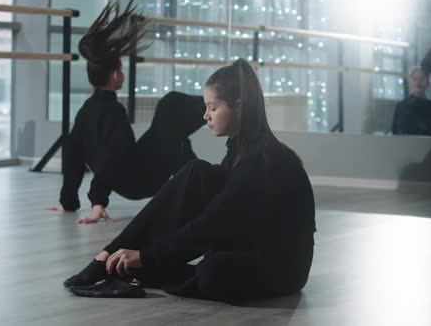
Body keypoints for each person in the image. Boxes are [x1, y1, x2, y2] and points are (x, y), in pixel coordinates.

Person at [63, 59, 316, 303]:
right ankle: (109, 255)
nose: (205, 116)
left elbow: (211, 225)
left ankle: (136, 265)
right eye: (206, 107)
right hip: (250, 239)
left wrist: (147, 257)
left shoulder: (260, 159)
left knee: (213, 271)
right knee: (196, 171)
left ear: (238, 107)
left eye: (213, 108)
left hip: (281, 266)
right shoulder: (239, 148)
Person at [45, 0, 206, 223]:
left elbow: (73, 155)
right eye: (120, 69)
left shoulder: (85, 111)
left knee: (177, 138)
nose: (122, 73)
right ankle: (221, 103)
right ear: (115, 75)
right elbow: (114, 158)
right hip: (138, 179)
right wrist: (98, 201)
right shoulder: (113, 112)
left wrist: (68, 202)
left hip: (131, 176)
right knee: (171, 106)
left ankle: (201, 190)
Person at [392, 66, 431, 136]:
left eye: (422, 78)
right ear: (410, 82)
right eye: (415, 79)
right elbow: (397, 131)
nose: (418, 82)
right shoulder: (401, 106)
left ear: (428, 82)